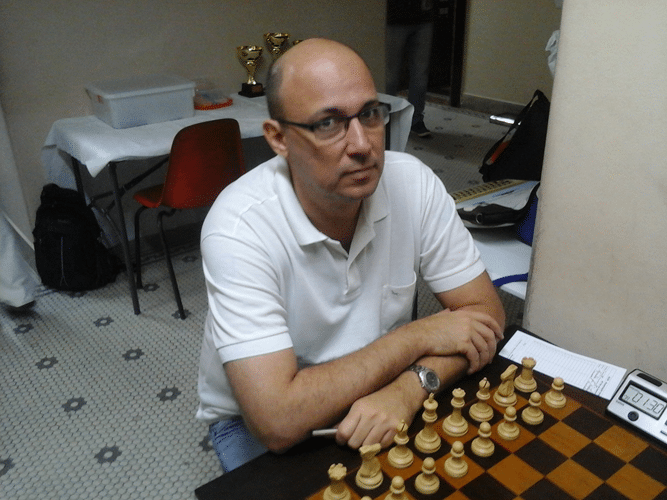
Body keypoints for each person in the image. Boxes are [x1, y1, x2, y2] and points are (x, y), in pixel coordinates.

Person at [196, 38, 505, 472]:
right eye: (328, 123)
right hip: (256, 422)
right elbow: (277, 420)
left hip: (387, 385)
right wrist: (417, 337)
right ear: (279, 138)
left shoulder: (413, 183)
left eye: (370, 114)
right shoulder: (238, 227)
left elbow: (486, 315)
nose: (362, 145)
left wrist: (409, 388)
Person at [385, 0, 435, 137]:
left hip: (424, 18)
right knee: (389, 77)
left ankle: (416, 120)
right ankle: (386, 121)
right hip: (393, 18)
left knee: (420, 75)